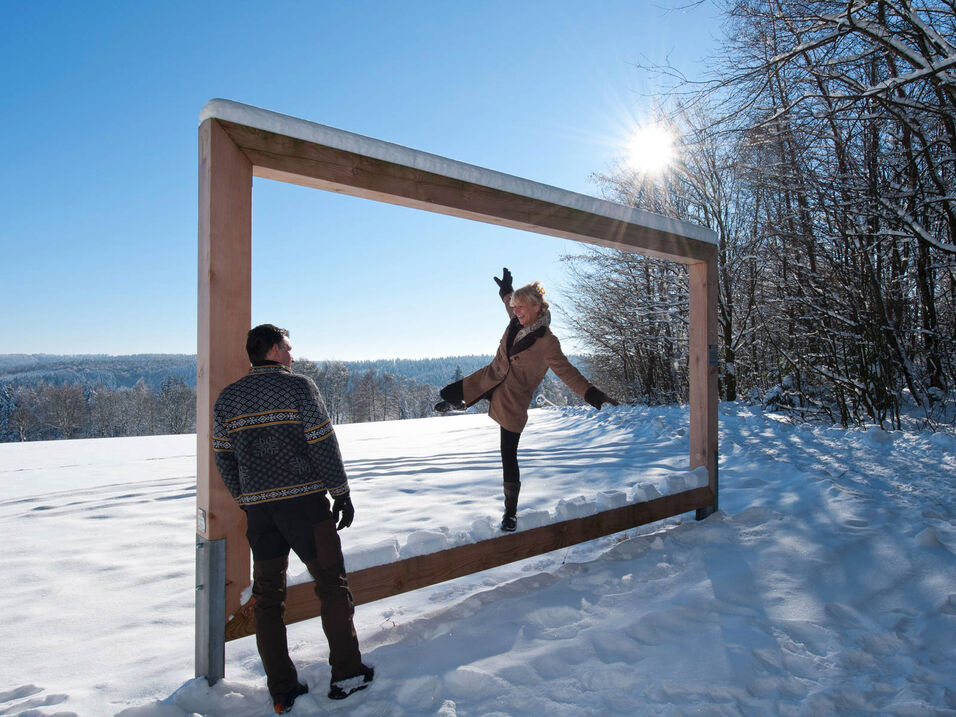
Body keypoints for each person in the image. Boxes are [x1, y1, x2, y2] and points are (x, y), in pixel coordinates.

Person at [212, 324, 374, 712]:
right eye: (287, 347)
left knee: (268, 598)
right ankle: (347, 674)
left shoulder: (228, 399)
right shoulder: (299, 387)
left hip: (261, 514)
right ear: (271, 349)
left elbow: (223, 456)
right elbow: (322, 440)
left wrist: (247, 498)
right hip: (305, 507)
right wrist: (342, 492)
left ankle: (282, 689)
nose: (293, 355)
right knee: (331, 584)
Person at [435, 269, 618, 532]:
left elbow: (568, 373)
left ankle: (510, 513)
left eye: (520, 307)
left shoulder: (547, 342)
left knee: (508, 455)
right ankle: (460, 402)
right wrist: (506, 291)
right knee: (446, 394)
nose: (516, 311)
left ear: (536, 307)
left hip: (512, 397)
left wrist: (593, 395)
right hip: (489, 380)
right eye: (514, 307)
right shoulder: (517, 320)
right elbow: (510, 305)